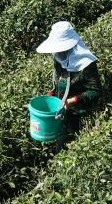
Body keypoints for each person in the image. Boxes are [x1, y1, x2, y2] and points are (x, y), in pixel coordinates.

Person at [36, 20, 102, 153]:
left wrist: (71, 102)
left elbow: (95, 92)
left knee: (67, 148)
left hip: (79, 115)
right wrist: (52, 93)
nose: (57, 52)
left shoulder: (86, 65)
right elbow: (59, 79)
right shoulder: (59, 58)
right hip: (61, 110)